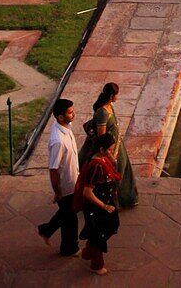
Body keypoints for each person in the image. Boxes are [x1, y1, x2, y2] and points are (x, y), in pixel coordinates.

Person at [79, 82, 138, 207]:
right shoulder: (102, 113)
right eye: (117, 95)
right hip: (107, 148)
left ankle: (125, 199)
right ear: (111, 96)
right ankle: (112, 202)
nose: (118, 97)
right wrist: (109, 155)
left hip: (115, 145)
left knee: (123, 169)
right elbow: (102, 137)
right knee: (113, 173)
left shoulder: (109, 107)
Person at [37, 98, 80, 256]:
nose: (73, 114)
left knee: (67, 213)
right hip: (65, 186)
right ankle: (69, 248)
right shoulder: (58, 141)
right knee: (70, 218)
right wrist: (58, 191)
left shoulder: (66, 127)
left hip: (73, 180)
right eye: (70, 112)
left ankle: (46, 230)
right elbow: (53, 169)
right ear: (61, 117)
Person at [76, 132, 121, 276]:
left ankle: (88, 251)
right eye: (109, 150)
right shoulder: (96, 166)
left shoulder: (102, 161)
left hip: (105, 203)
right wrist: (104, 206)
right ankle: (96, 265)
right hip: (97, 207)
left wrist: (111, 157)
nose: (111, 153)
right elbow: (87, 192)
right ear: (101, 150)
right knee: (99, 235)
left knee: (110, 226)